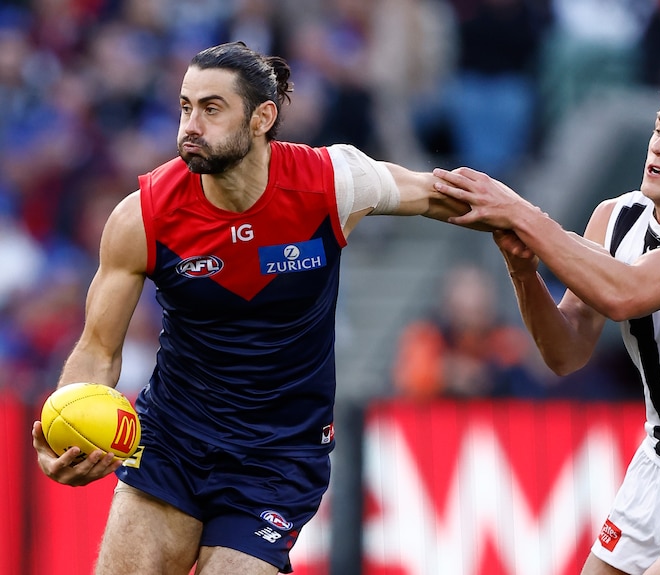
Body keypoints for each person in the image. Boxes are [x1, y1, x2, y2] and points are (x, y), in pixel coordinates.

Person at [31, 41, 477, 575]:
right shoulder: (143, 216)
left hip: (278, 459)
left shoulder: (330, 182)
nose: (190, 125)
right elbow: (98, 349)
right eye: (185, 106)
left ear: (263, 117)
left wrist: (534, 229)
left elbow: (438, 194)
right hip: (173, 440)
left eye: (211, 109)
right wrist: (68, 432)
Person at [433, 70, 660, 574]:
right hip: (657, 466)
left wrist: (523, 214)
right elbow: (566, 352)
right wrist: (522, 269)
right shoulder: (615, 217)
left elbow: (627, 293)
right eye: (658, 129)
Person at [392, 263, 548, 399]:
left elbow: (534, 382)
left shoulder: (507, 338)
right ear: (450, 305)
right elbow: (408, 381)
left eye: (479, 309)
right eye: (466, 310)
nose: (474, 315)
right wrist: (447, 373)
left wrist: (489, 374)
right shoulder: (426, 335)